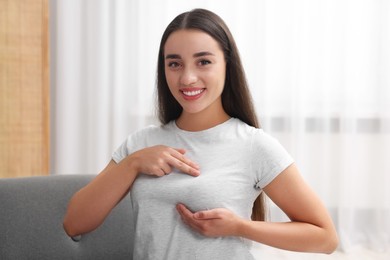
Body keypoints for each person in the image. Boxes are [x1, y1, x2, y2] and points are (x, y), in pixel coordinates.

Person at [63, 8, 338, 259]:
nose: (187, 78)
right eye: (175, 64)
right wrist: (133, 163)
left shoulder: (254, 145)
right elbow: (74, 222)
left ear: (227, 65)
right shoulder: (140, 143)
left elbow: (325, 237)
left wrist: (239, 227)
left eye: (203, 62)